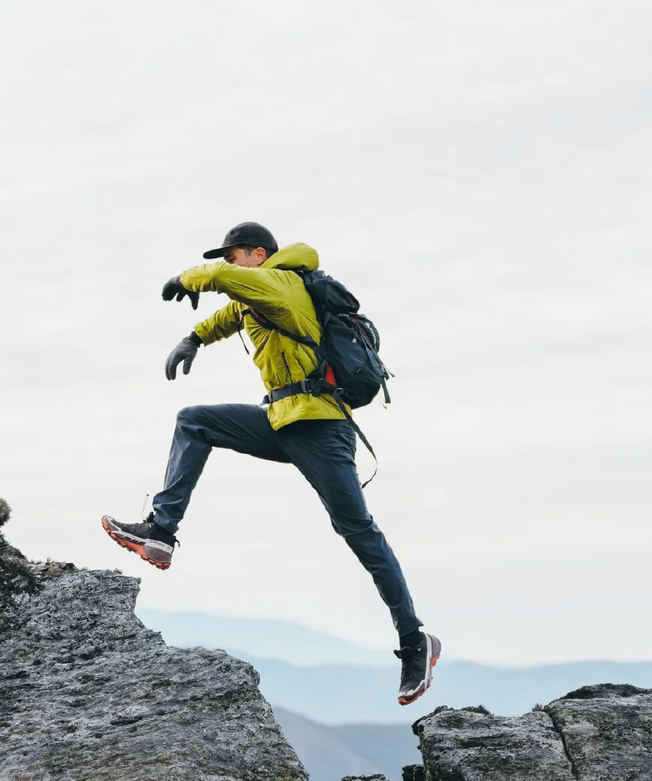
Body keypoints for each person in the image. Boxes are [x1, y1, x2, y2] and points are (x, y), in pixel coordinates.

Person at [100, 222, 440, 706]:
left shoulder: (282, 283)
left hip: (321, 427)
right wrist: (194, 338)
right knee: (195, 421)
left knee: (358, 531)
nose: (229, 264)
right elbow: (232, 313)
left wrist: (185, 278)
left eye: (233, 255)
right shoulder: (260, 294)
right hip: (281, 419)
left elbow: (224, 281)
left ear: (258, 254)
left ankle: (414, 641)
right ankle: (161, 531)